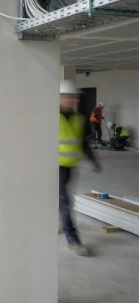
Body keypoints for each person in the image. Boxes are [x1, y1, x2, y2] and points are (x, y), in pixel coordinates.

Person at [59, 80, 102, 256]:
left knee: (61, 201)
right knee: (64, 202)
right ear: (60, 98)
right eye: (70, 97)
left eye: (75, 97)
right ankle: (73, 239)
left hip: (71, 167)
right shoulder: (48, 116)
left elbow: (83, 142)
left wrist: (93, 159)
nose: (74, 100)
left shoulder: (79, 118)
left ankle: (60, 227)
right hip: (54, 167)